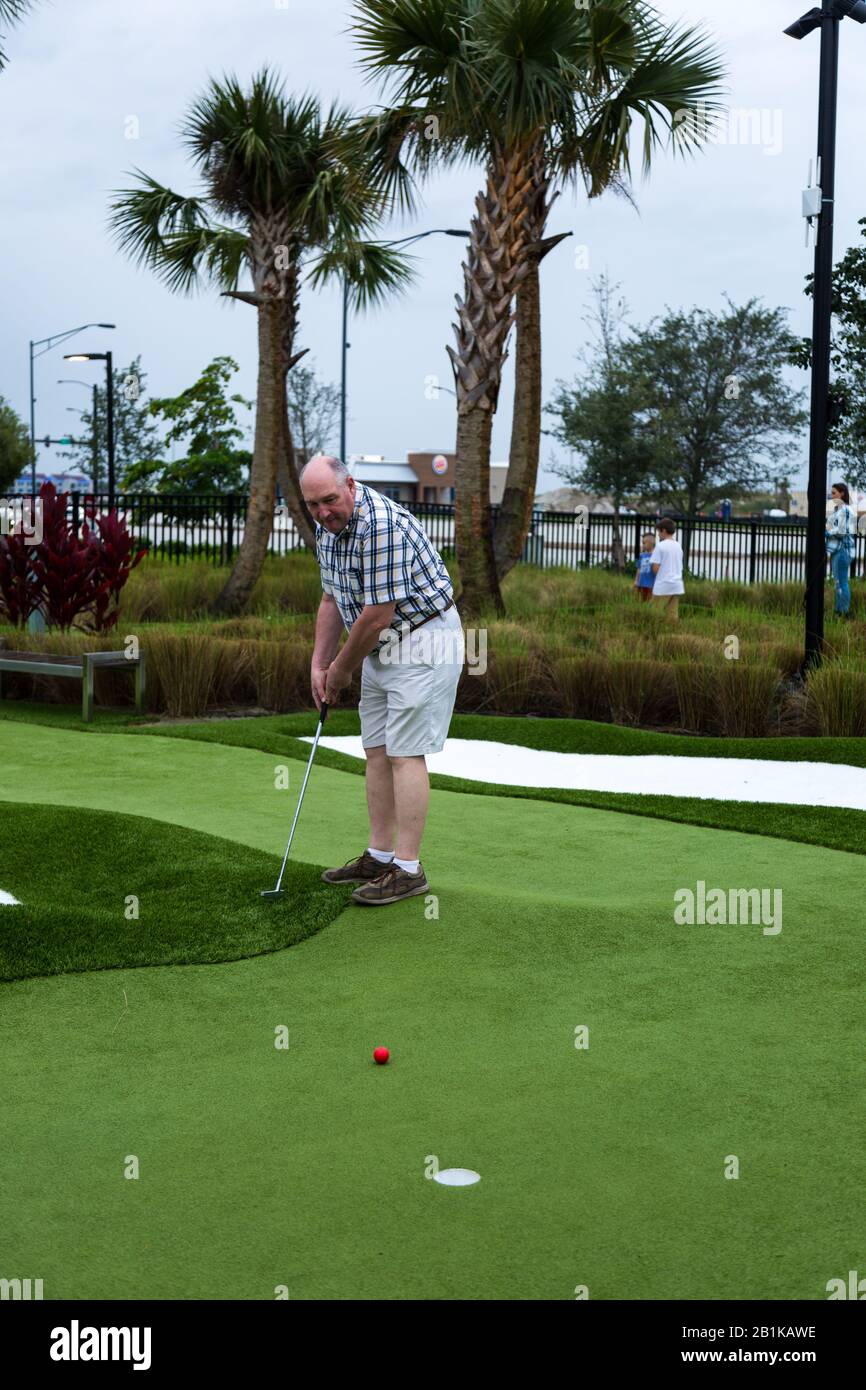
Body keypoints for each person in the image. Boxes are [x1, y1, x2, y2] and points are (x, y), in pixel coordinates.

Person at [303, 455, 464, 906]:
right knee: (375, 749)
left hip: (423, 638)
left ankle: (409, 869)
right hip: (380, 643)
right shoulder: (327, 527)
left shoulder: (381, 525)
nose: (323, 512)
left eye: (330, 500)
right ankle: (379, 854)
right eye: (313, 504)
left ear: (350, 485)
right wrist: (319, 664)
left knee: (404, 753)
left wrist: (340, 669)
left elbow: (377, 616)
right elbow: (331, 598)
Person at [826, 482, 856, 619]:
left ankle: (842, 613)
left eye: (834, 493)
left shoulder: (844, 510)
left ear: (842, 493)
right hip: (840, 551)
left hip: (843, 551)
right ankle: (840, 611)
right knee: (839, 582)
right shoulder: (839, 510)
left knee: (841, 583)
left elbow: (841, 531)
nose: (831, 495)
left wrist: (827, 532)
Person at [650, 517, 685, 619]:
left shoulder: (660, 546)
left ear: (664, 530)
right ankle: (673, 633)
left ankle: (653, 632)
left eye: (659, 531)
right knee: (672, 614)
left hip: (664, 585)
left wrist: (658, 578)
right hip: (677, 584)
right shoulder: (678, 546)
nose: (658, 534)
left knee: (653, 612)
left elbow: (655, 567)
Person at [634, 533, 656, 602]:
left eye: (644, 543)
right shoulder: (642, 555)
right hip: (641, 583)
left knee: (650, 601)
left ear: (651, 543)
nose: (642, 545)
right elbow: (639, 568)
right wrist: (636, 581)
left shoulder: (656, 555)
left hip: (651, 584)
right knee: (641, 600)